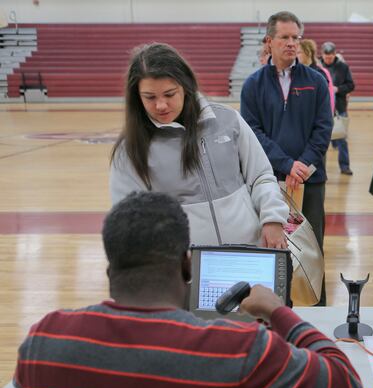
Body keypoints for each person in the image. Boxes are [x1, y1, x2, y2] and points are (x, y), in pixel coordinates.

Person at [14, 191, 364, 388]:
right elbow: (345, 386)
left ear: (110, 264)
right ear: (186, 264)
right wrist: (276, 310)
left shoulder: (45, 342)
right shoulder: (240, 352)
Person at [110, 42, 288, 248]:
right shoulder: (129, 150)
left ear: (185, 87)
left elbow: (261, 176)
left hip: (249, 253)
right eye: (150, 97)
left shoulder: (227, 120)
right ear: (137, 97)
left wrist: (273, 218)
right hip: (182, 271)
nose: (161, 105)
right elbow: (129, 219)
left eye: (169, 94)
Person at [241, 11, 332, 305]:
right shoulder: (253, 85)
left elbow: (323, 128)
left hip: (310, 181)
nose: (291, 43)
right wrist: (285, 164)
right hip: (268, 182)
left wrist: (302, 164)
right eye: (285, 37)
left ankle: (317, 310)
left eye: (296, 37)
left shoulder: (316, 81)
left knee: (311, 247)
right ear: (269, 41)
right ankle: (275, 308)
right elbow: (252, 133)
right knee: (272, 246)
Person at [321, 41, 356, 175]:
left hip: (339, 108)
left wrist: (338, 89)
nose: (328, 59)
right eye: (326, 56)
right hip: (322, 109)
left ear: (335, 54)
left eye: (330, 56)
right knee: (320, 140)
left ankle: (345, 166)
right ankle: (320, 170)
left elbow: (351, 85)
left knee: (341, 138)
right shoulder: (318, 66)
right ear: (322, 54)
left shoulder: (343, 67)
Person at [298, 38, 335, 114]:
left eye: (299, 53)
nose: (296, 56)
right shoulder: (296, 72)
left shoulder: (320, 74)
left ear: (308, 53)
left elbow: (325, 99)